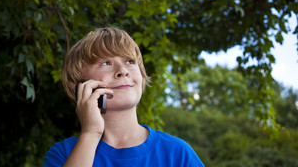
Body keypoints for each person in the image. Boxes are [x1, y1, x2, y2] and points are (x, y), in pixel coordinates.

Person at [43, 27, 204, 167]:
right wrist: (91, 133)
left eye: (130, 61)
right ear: (77, 84)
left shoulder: (177, 153)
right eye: (106, 63)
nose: (123, 70)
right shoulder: (64, 154)